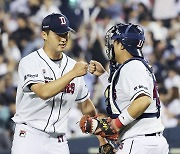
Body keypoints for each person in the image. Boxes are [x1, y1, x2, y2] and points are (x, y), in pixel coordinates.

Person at [11, 13, 97, 154]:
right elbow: (44, 92)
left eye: (66, 34)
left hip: (59, 141)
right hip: (29, 136)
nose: (63, 39)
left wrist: (100, 131)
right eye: (58, 34)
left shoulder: (73, 66)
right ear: (44, 35)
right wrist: (73, 73)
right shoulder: (30, 62)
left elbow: (86, 104)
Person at [87, 23, 169, 153]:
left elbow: (143, 100)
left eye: (114, 42)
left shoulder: (131, 66)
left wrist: (116, 124)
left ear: (122, 45)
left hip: (139, 142)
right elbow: (120, 96)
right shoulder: (136, 65)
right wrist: (103, 76)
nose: (111, 45)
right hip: (149, 141)